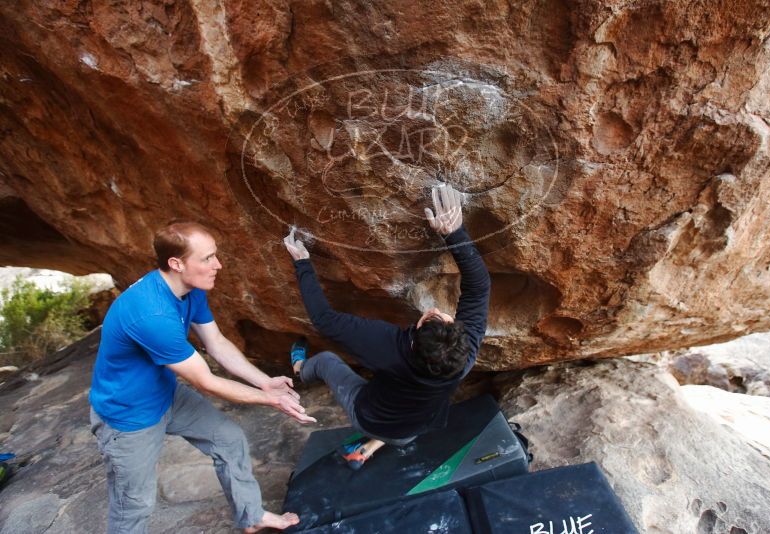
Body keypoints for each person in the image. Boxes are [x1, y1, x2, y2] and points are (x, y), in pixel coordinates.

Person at [89, 220, 316, 534]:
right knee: (135, 504)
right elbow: (205, 381)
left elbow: (217, 343)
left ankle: (251, 517)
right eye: (207, 258)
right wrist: (270, 399)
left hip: (164, 394)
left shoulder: (188, 290)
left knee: (228, 439)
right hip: (128, 416)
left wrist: (264, 381)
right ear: (176, 263)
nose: (218, 265)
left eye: (215, 255)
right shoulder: (152, 314)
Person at [283, 183, 490, 469]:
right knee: (405, 427)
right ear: (456, 326)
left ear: (416, 331)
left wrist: (303, 264)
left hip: (368, 415)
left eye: (431, 315)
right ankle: (366, 450)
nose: (433, 310)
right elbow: (479, 288)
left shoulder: (388, 347)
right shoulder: (463, 357)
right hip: (415, 426)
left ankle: (299, 372)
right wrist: (455, 233)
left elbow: (325, 321)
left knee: (327, 361)